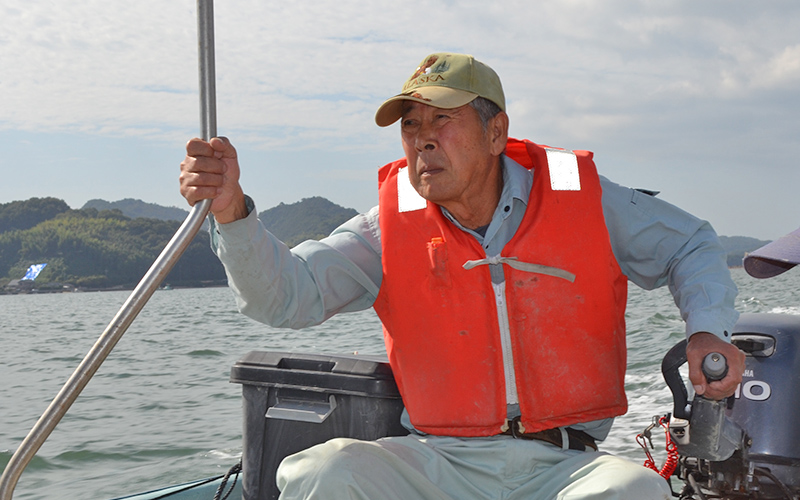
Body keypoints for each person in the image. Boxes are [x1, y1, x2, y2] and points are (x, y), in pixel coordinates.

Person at [180, 52, 745, 499]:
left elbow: (691, 243)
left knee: (634, 490)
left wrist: (708, 329)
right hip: (437, 464)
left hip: (566, 467)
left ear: (496, 132)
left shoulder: (585, 199)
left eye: (442, 119)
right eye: (410, 124)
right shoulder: (386, 228)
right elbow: (285, 297)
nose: (421, 137)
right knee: (320, 473)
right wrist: (232, 213)